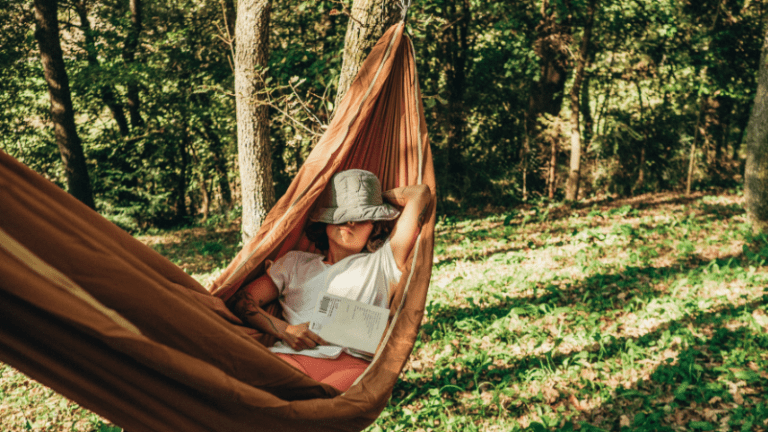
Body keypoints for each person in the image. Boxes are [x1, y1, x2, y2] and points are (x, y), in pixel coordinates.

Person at [233, 169, 431, 391]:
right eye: (342, 213)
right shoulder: (294, 263)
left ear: (374, 226)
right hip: (291, 357)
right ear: (325, 222)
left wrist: (373, 198)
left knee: (316, 405)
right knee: (244, 387)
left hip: (350, 367)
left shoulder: (384, 262)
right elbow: (243, 300)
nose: (351, 222)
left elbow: (420, 194)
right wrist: (285, 331)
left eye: (362, 216)